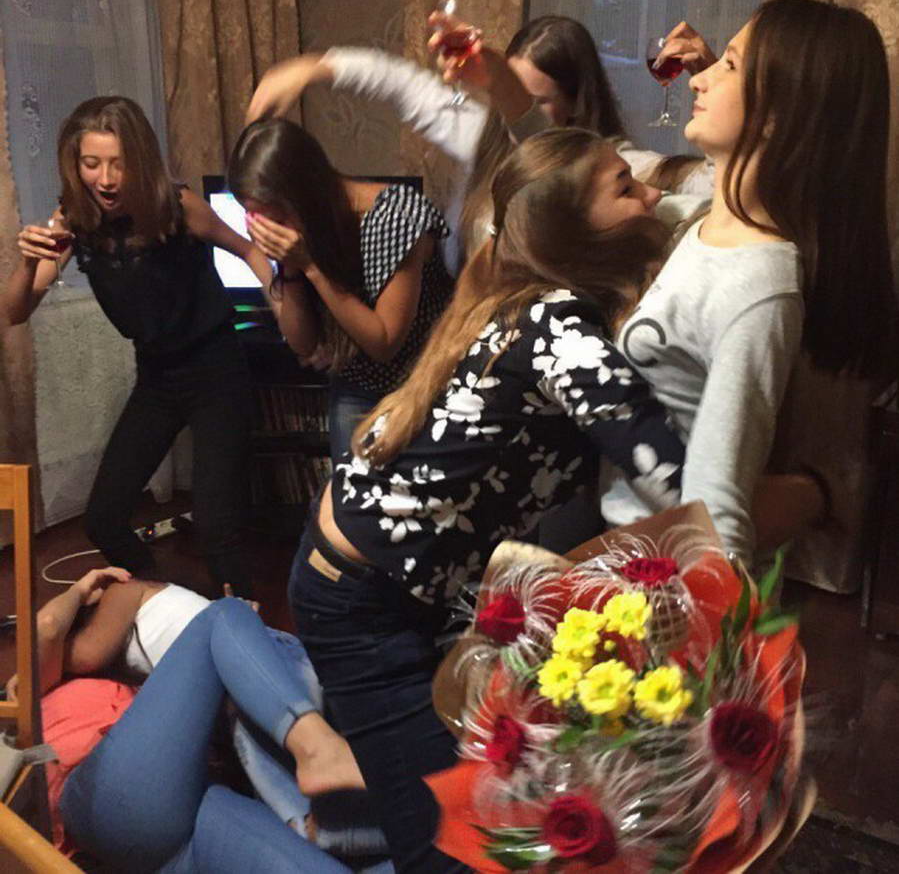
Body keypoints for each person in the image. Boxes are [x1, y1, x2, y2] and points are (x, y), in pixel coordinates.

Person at [288, 129, 686, 872]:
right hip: (361, 601)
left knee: (455, 792)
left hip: (387, 583)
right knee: (445, 843)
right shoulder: (556, 322)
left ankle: (348, 804)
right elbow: (666, 472)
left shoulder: (528, 299)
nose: (651, 195)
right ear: (570, 231)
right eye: (625, 187)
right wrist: (807, 495)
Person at [601, 0, 898, 562]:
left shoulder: (757, 286)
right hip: (617, 547)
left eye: (730, 65)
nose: (698, 79)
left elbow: (717, 514)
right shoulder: (702, 221)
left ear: (782, 112)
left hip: (647, 575)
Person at [4, 96, 274, 597]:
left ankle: (244, 620)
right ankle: (163, 602)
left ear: (141, 160)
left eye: (119, 163)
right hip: (157, 377)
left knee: (217, 526)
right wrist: (26, 263)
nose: (105, 179)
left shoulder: (178, 206)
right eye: (91, 163)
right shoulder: (73, 219)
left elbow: (248, 249)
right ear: (74, 162)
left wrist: (281, 301)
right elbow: (15, 311)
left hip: (217, 370)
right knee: (103, 519)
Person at [245, 17, 710, 274]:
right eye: (503, 92)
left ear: (576, 101)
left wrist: (713, 81)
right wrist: (316, 67)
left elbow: (714, 188)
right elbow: (403, 86)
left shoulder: (616, 170)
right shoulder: (488, 136)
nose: (512, 111)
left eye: (534, 102)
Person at [11, 568, 386, 873]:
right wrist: (80, 588)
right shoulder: (28, 689)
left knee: (361, 856)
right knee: (224, 613)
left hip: (174, 826)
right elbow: (48, 626)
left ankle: (332, 820)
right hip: (97, 790)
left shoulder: (145, 690)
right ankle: (319, 751)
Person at [228, 119, 454, 461]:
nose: (269, 229)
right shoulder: (308, 226)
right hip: (355, 383)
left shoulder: (395, 216)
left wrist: (311, 267)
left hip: (421, 385)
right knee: (349, 490)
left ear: (303, 196)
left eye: (275, 218)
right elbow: (302, 343)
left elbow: (384, 342)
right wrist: (290, 267)